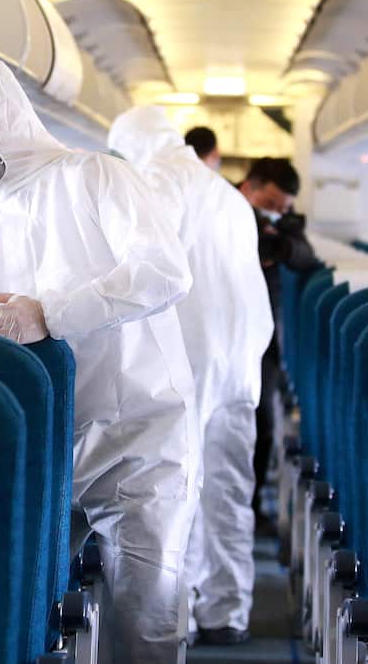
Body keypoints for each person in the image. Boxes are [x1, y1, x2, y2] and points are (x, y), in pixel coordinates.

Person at [0, 56, 199, 664]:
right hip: (36, 445)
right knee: (28, 612)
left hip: (136, 431)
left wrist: (50, 316)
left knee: (145, 613)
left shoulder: (97, 177)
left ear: (3, 118)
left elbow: (164, 271)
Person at [109, 107, 273, 646]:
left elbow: (147, 268)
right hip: (240, 359)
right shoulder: (227, 193)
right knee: (228, 485)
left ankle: (171, 621)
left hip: (189, 358)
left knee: (175, 491)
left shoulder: (159, 180)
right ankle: (228, 611)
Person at [237, 158, 319, 525]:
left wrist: (284, 247)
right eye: (269, 205)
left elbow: (307, 258)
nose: (274, 213)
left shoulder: (283, 225)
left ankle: (250, 505)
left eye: (282, 208)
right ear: (250, 187)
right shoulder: (221, 207)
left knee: (263, 422)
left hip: (263, 337)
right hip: (222, 329)